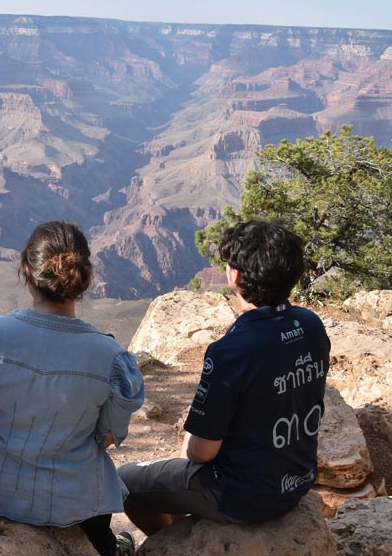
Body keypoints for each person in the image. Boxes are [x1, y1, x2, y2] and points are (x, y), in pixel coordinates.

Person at [0, 221, 145, 556]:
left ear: (27, 272)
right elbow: (107, 436)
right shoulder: (110, 358)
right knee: (95, 479)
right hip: (72, 501)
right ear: (84, 280)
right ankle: (110, 553)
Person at [119, 220, 330, 535]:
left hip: (241, 496)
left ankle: (169, 551)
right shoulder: (311, 325)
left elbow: (201, 453)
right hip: (297, 479)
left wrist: (188, 449)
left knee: (125, 483)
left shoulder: (231, 351)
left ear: (236, 276)